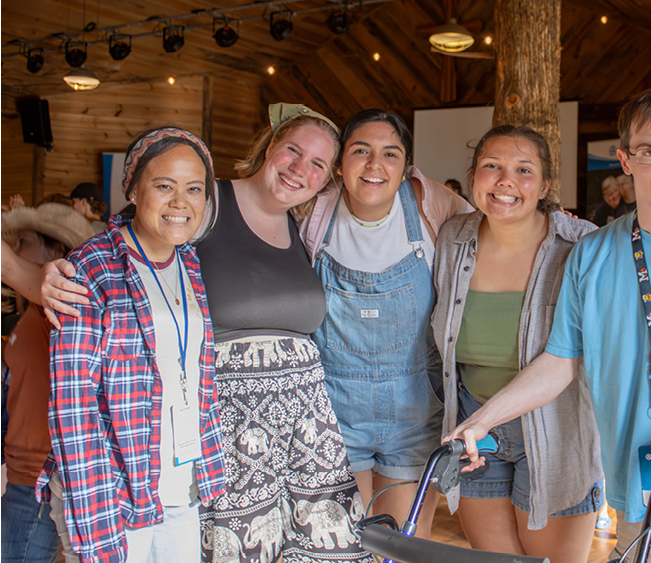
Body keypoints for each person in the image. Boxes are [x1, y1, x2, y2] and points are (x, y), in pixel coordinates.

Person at [448, 89, 651, 563]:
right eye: (650, 153)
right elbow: (562, 360)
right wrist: (483, 419)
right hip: (631, 488)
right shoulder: (592, 253)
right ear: (625, 159)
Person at [40, 105, 377, 563]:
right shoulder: (204, 204)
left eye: (318, 163)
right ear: (269, 145)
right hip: (217, 432)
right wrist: (43, 274)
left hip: (294, 431)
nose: (302, 169)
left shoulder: (303, 227)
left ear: (328, 177)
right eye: (293, 151)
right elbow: (130, 253)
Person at [36, 127, 226, 563]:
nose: (181, 202)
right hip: (113, 492)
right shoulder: (89, 268)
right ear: (134, 190)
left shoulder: (189, 263)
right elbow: (74, 405)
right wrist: (96, 519)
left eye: (194, 189)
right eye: (164, 186)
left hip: (180, 483)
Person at [431, 125, 604, 563]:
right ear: (473, 177)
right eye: (492, 166)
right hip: (473, 427)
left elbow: (578, 355)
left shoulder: (580, 244)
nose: (506, 181)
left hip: (557, 431)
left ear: (545, 185)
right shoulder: (453, 239)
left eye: (523, 170)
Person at [300, 108, 473, 538]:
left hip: (415, 410)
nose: (375, 165)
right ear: (340, 163)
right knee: (343, 543)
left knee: (401, 544)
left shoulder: (436, 207)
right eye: (361, 151)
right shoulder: (312, 214)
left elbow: (491, 239)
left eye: (389, 154)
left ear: (405, 165)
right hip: (333, 409)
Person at [1, 202, 94, 563]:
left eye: (23, 241)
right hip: (26, 474)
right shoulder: (33, 307)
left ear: (56, 251)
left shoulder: (58, 303)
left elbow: (7, 264)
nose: (18, 250)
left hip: (38, 478)